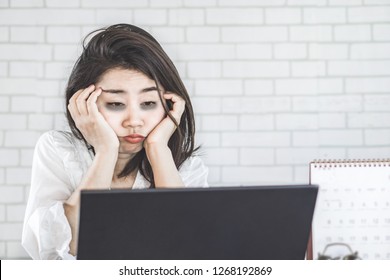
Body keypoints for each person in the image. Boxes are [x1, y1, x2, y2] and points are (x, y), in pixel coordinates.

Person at [21, 24, 209, 260]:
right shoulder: (58, 149)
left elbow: (188, 251)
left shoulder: (187, 167)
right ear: (84, 104)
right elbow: (53, 254)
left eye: (149, 103)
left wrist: (158, 149)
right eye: (115, 104)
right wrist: (106, 151)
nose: (134, 121)